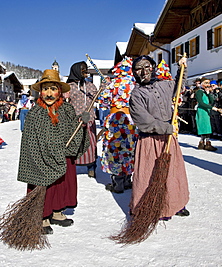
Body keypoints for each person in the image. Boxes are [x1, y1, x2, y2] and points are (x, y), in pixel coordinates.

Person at [0, 69, 89, 251]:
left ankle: (57, 212)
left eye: (53, 89)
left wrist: (80, 122)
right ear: (40, 92)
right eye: (45, 89)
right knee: (44, 186)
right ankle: (43, 215)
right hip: (41, 159)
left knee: (62, 184)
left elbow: (73, 130)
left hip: (63, 156)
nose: (48, 94)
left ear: (59, 91)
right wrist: (43, 155)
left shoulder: (67, 109)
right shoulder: (35, 114)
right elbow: (30, 142)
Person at [129, 55, 190, 222]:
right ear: (134, 72)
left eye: (147, 66)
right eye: (138, 68)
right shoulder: (136, 95)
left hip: (168, 139)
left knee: (171, 172)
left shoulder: (164, 84)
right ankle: (149, 207)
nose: (143, 71)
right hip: (150, 140)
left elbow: (178, 87)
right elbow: (143, 121)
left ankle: (174, 204)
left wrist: (182, 69)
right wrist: (166, 127)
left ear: (153, 67)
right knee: (149, 174)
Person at [98, 57, 138, 194]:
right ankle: (128, 179)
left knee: (114, 150)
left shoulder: (113, 84)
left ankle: (118, 181)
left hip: (115, 120)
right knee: (129, 148)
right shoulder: (135, 83)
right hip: (130, 120)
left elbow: (102, 101)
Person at [66, 61, 98, 178]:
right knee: (74, 145)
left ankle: (91, 167)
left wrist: (104, 89)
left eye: (86, 69)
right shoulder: (68, 87)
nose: (85, 72)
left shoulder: (90, 86)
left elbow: (99, 97)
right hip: (75, 121)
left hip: (89, 119)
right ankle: (71, 167)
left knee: (90, 144)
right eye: (82, 70)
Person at [195, 78, 219, 151]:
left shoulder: (206, 92)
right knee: (204, 127)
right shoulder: (199, 92)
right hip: (202, 111)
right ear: (202, 84)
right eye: (205, 83)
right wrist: (212, 108)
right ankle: (204, 143)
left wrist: (208, 93)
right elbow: (201, 103)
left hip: (206, 111)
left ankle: (203, 143)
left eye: (208, 83)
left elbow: (211, 101)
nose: (207, 85)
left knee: (207, 127)